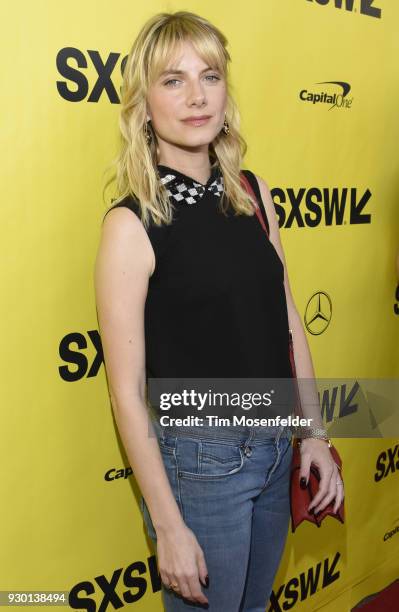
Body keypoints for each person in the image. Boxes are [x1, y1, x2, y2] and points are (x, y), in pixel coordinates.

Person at [94, 11, 344, 611]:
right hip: (200, 464)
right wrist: (170, 525)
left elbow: (287, 320)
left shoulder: (254, 194)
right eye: (173, 80)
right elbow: (126, 393)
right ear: (143, 102)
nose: (197, 96)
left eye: (210, 75)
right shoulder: (131, 225)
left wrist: (312, 431)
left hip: (275, 441)